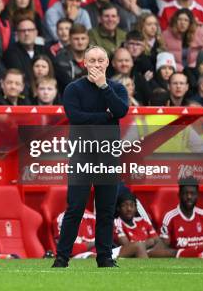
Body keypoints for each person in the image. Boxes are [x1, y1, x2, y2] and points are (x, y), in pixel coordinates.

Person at [53, 45, 129, 269]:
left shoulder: (116, 88)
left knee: (106, 209)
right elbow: (75, 116)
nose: (96, 64)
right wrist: (105, 116)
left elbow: (121, 111)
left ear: (107, 63)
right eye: (92, 60)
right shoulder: (73, 89)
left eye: (100, 60)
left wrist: (103, 87)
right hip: (82, 155)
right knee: (75, 207)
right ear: (84, 63)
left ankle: (104, 257)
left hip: (107, 155)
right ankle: (61, 258)